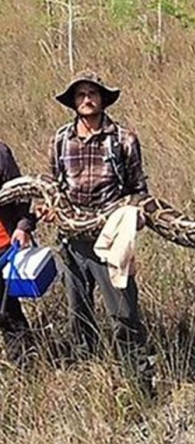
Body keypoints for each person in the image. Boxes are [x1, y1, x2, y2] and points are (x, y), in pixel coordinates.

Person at [41, 70, 155, 397]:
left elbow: (138, 189)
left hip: (112, 239)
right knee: (79, 313)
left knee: (123, 313)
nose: (87, 99)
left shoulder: (123, 138)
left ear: (103, 99)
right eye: (80, 95)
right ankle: (89, 379)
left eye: (93, 93)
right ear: (74, 102)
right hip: (71, 239)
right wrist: (48, 208)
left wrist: (136, 216)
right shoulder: (60, 139)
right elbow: (52, 186)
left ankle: (140, 383)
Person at [0, 141, 37, 368]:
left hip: (3, 244)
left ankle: (26, 365)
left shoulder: (0, 152)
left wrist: (22, 227)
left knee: (7, 312)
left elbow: (22, 192)